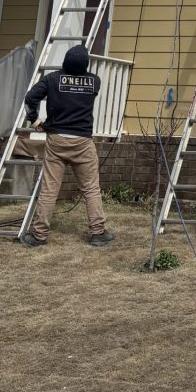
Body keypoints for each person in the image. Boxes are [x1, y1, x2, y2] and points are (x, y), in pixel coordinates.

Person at [19, 44, 114, 248]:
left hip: (56, 140)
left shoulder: (53, 79)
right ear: (85, 64)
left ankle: (39, 235)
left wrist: (35, 121)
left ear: (65, 61)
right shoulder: (94, 81)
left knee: (50, 189)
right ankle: (98, 232)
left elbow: (30, 98)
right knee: (91, 189)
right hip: (82, 142)